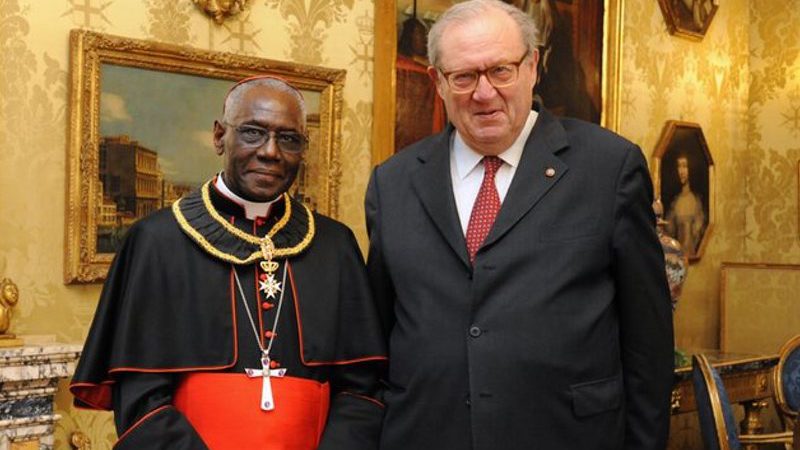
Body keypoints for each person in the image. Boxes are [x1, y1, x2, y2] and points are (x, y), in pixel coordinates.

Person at [365, 1, 674, 449]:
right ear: (438, 82)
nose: (484, 93)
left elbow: (648, 342)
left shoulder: (608, 168)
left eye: (501, 71)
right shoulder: (392, 182)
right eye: (464, 77)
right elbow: (378, 335)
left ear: (532, 66)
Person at [71, 76, 387, 450]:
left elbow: (363, 389)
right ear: (220, 136)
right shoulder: (157, 241)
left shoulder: (334, 245)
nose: (271, 152)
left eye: (289, 139)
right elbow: (140, 399)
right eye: (253, 132)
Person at [665, 155, 705, 256]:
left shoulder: (697, 201)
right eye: (679, 166)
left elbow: (698, 235)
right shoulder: (675, 203)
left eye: (684, 166)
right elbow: (669, 233)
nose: (681, 171)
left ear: (691, 168)